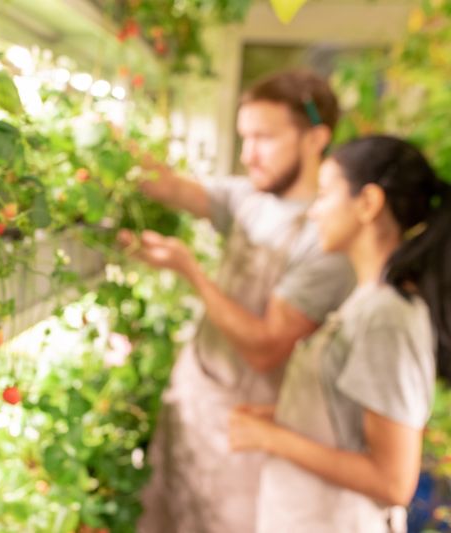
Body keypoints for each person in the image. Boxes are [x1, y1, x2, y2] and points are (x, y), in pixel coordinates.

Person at [119, 69, 357, 533]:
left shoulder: (325, 237)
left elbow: (265, 347)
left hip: (248, 431)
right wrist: (104, 138)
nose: (248, 154)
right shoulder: (248, 198)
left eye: (264, 138)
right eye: (244, 136)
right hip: (194, 403)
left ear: (315, 139)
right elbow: (169, 186)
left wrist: (191, 272)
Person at [228, 135, 451, 532]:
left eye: (325, 195)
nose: (314, 213)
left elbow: (393, 481)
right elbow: (352, 428)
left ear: (368, 203)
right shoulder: (366, 301)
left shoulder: (388, 316)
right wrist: (282, 418)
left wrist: (271, 436)